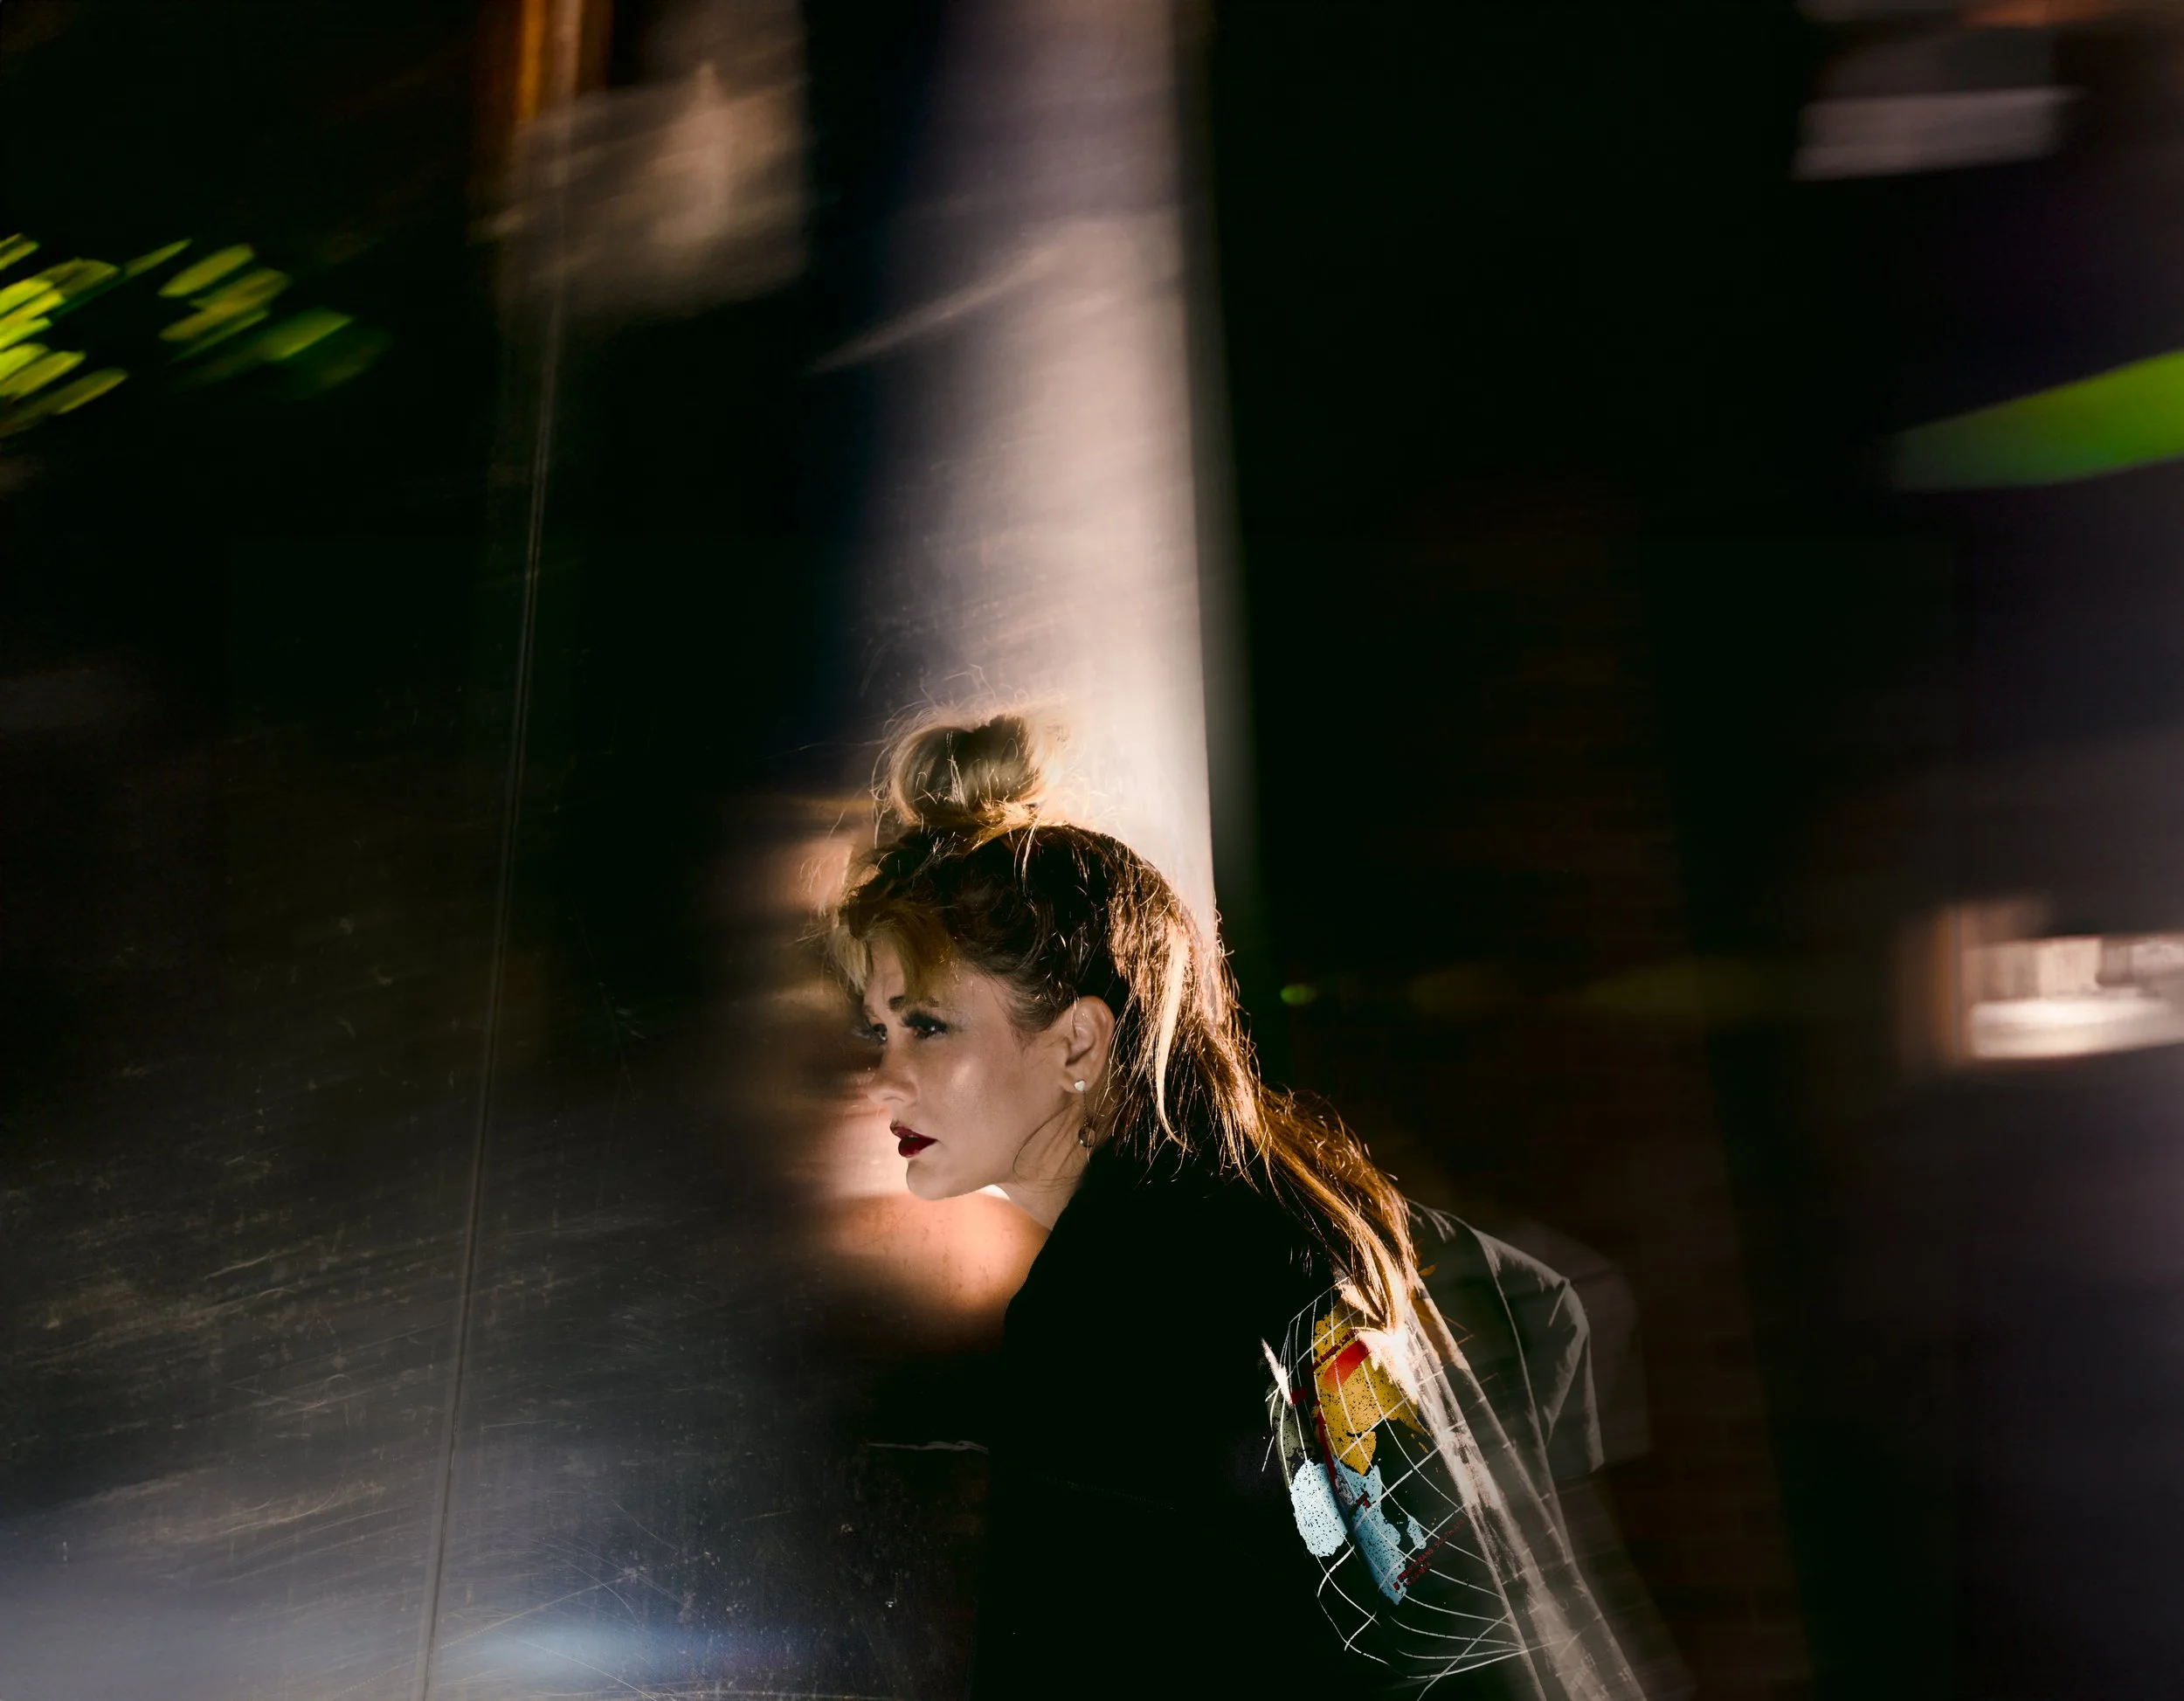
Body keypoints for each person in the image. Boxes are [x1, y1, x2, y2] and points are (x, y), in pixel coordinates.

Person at [828, 713, 1645, 1700]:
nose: (886, 1076)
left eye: (926, 1025)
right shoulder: (1300, 1207)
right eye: (878, 1027)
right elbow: (1541, 1307)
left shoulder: (1112, 1302)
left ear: (1081, 1044)